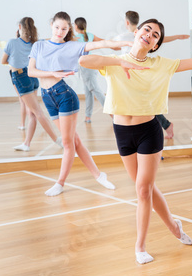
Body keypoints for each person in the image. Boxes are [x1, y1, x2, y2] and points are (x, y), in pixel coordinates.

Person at [79, 18, 192, 265]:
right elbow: (83, 60)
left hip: (148, 132)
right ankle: (174, 226)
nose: (149, 35)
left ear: (155, 46)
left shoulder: (160, 64)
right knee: (146, 189)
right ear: (137, 33)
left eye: (155, 35)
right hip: (122, 132)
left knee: (142, 190)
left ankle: (140, 246)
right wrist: (119, 60)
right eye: (147, 30)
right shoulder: (114, 62)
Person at [28, 11, 131, 196]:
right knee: (75, 141)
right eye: (57, 27)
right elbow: (31, 72)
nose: (60, 31)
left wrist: (125, 43)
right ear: (51, 24)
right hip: (47, 97)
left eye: (64, 28)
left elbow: (102, 43)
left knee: (68, 143)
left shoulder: (72, 46)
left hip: (65, 96)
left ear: (69, 30)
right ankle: (99, 176)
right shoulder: (39, 45)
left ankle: (59, 183)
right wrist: (53, 73)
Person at [114, 10, 189, 139]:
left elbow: (110, 45)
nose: (149, 35)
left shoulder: (124, 36)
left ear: (127, 22)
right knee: (142, 105)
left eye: (154, 34)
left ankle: (162, 128)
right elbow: (162, 39)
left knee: (145, 105)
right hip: (128, 75)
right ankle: (163, 127)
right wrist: (177, 36)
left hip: (139, 74)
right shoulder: (135, 36)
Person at [0, 18, 62, 152]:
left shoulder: (12, 42)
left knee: (37, 112)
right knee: (32, 113)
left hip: (21, 77)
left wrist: (15, 59)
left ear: (19, 27)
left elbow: (3, 61)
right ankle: (26, 144)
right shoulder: (35, 43)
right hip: (32, 77)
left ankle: (58, 140)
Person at [74, 17, 107, 124]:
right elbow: (103, 41)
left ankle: (113, 113)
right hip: (92, 65)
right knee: (88, 92)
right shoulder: (90, 35)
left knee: (96, 90)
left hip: (86, 67)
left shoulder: (75, 37)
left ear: (76, 26)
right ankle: (88, 116)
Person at [0, 39, 27, 130]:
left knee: (23, 100)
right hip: (26, 72)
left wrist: (1, 42)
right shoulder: (29, 44)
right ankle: (25, 122)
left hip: (16, 73)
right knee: (28, 100)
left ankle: (22, 124)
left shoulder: (9, 44)